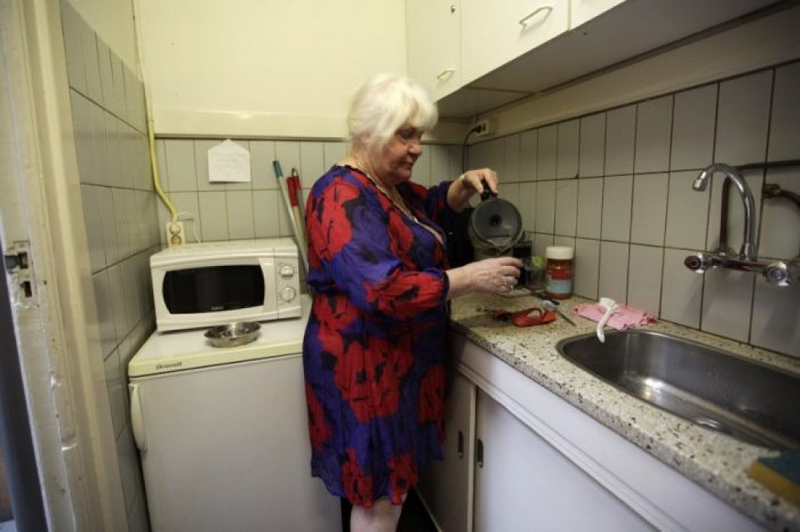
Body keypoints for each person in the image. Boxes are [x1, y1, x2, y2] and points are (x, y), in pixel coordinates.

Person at [302, 73, 522, 532]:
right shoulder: (340, 194)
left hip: (396, 367)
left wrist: (463, 183)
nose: (417, 147)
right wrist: (467, 277)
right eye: (406, 134)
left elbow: (432, 206)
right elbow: (382, 289)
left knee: (391, 493)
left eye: (418, 135)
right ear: (369, 132)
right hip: (365, 371)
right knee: (378, 501)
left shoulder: (388, 189)